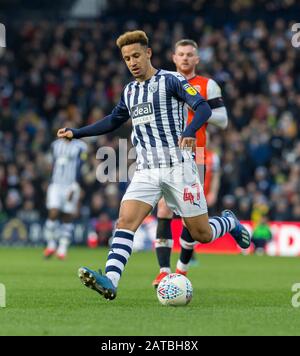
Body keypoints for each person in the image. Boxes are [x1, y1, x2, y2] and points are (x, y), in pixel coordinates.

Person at [57, 30, 251, 301]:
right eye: (127, 58)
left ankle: (229, 221)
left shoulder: (171, 80)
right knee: (125, 221)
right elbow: (113, 121)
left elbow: (204, 109)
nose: (132, 62)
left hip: (179, 168)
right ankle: (110, 281)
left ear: (148, 53)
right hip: (146, 169)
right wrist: (77, 132)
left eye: (136, 55)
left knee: (202, 234)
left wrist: (190, 131)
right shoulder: (130, 91)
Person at [152, 39, 228, 287]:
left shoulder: (208, 86)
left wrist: (195, 107)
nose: (185, 58)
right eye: (181, 54)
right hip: (167, 155)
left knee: (190, 219)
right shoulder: (162, 83)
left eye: (190, 55)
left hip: (196, 156)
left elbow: (223, 120)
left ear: (197, 59)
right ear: (173, 57)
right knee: (163, 209)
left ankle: (181, 271)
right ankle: (164, 272)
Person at [44, 123, 88, 259]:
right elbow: (51, 165)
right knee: (53, 212)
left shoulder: (81, 147)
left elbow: (82, 167)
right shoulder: (55, 145)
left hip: (71, 185)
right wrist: (48, 182)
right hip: (56, 184)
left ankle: (62, 248)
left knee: (67, 215)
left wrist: (75, 187)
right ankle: (51, 245)